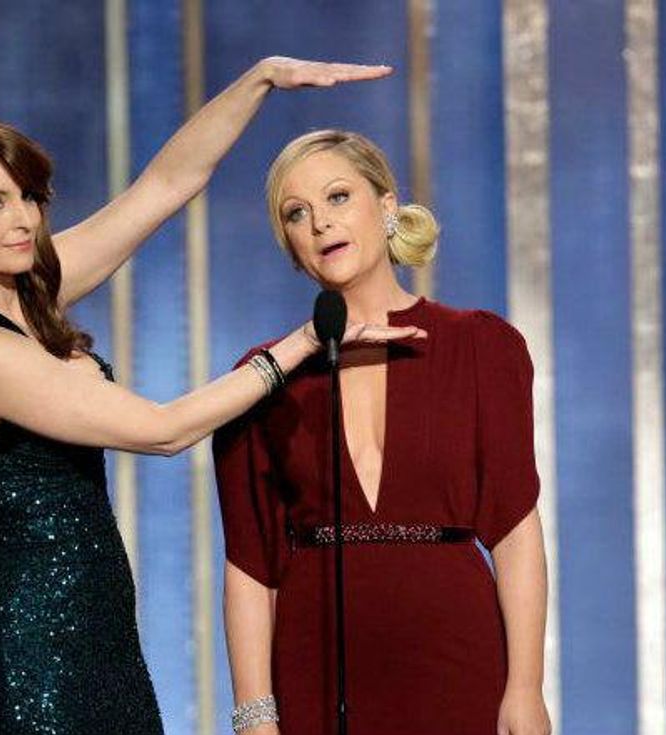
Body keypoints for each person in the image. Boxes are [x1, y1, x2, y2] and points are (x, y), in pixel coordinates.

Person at [0, 60, 414, 735]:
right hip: (34, 645)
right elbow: (163, 429)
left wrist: (260, 82)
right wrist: (297, 345)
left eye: (27, 196)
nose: (22, 221)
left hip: (95, 626)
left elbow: (167, 184)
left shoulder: (25, 292)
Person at [213, 130, 551, 735]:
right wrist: (254, 716)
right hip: (314, 670)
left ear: (388, 207)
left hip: (456, 661)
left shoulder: (481, 345)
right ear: (291, 246)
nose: (320, 223)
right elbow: (249, 564)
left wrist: (524, 689)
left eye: (338, 197)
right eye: (297, 213)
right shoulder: (261, 379)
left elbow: (515, 530)